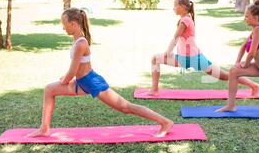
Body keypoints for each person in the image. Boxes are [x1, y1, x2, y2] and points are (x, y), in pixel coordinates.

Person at [28, 8, 174, 138]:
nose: (62, 27)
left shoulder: (80, 43)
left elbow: (73, 70)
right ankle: (44, 129)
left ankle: (165, 122)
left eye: (64, 23)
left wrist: (65, 80)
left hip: (91, 82)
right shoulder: (78, 41)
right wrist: (66, 78)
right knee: (49, 89)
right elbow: (77, 69)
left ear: (73, 24)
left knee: (126, 107)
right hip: (82, 82)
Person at [146, 0, 259, 96]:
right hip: (187, 57)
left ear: (182, 6)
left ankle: (254, 85)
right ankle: (155, 89)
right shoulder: (186, 18)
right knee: (224, 75)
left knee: (224, 75)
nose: (173, 8)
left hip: (191, 58)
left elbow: (175, 37)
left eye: (175, 5)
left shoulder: (185, 20)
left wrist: (168, 51)